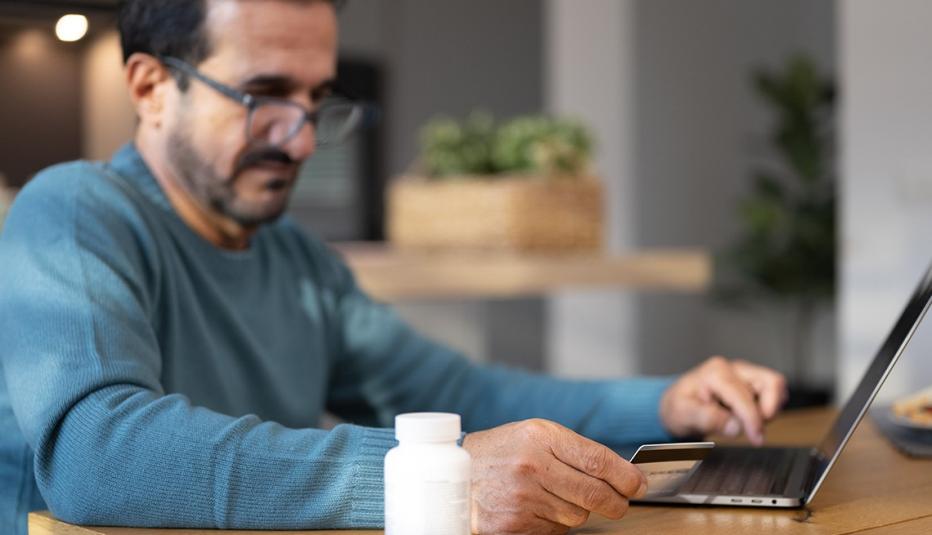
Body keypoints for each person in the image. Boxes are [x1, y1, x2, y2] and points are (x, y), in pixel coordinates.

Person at [0, 1, 788, 534]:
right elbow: (95, 451)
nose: (302, 139)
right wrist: (429, 480)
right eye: (265, 94)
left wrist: (669, 403)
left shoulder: (297, 263)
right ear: (150, 88)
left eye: (316, 101)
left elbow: (462, 397)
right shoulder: (73, 212)